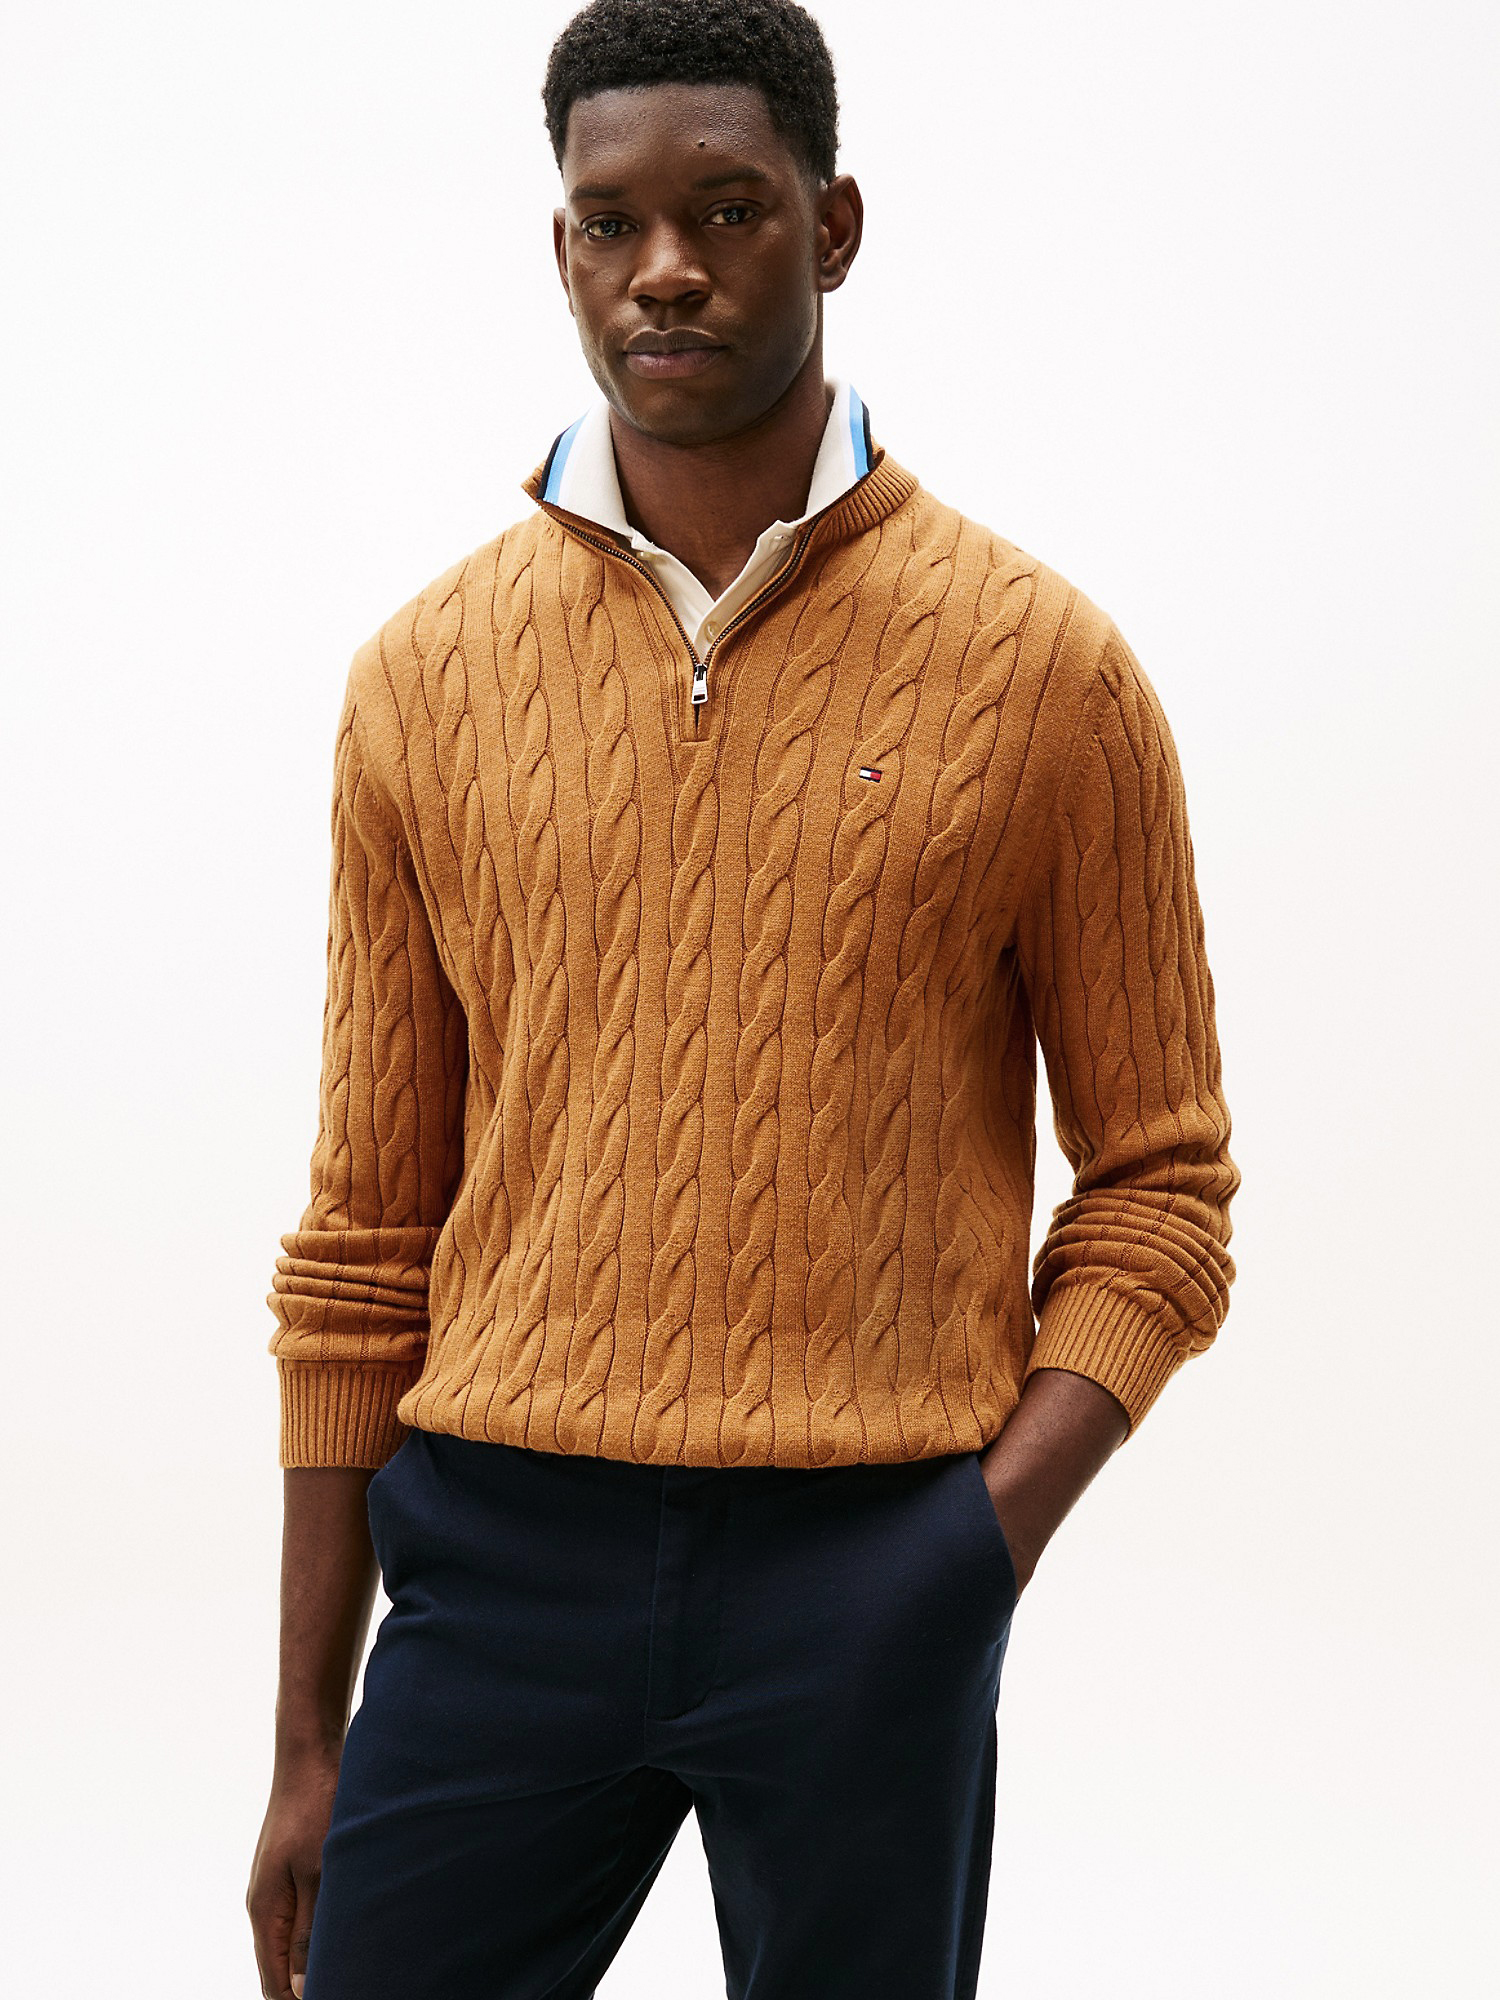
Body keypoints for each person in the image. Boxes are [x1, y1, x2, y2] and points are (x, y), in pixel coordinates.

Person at [246, 2, 1240, 1994]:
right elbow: (363, 1236)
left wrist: (975, 1547)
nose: (665, 268)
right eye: (610, 222)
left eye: (727, 210)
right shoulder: (422, 681)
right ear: (561, 249)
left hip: (873, 1562)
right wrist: (305, 1742)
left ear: (833, 225)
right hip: (498, 1561)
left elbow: (1161, 1189)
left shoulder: (1045, 673)